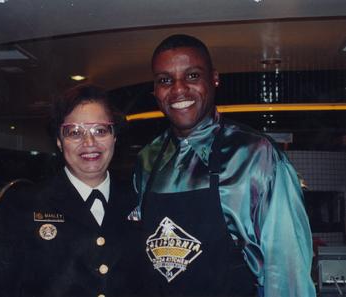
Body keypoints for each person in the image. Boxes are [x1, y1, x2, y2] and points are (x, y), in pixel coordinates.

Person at [131, 34, 316, 296]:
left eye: (192, 76)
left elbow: (287, 270)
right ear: (155, 91)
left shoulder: (256, 155)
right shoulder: (147, 159)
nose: (178, 89)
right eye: (165, 80)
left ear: (214, 79)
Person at [0, 85, 139, 297]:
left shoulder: (138, 200)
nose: (89, 142)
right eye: (75, 132)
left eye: (100, 130)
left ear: (114, 137)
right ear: (59, 141)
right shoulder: (24, 205)